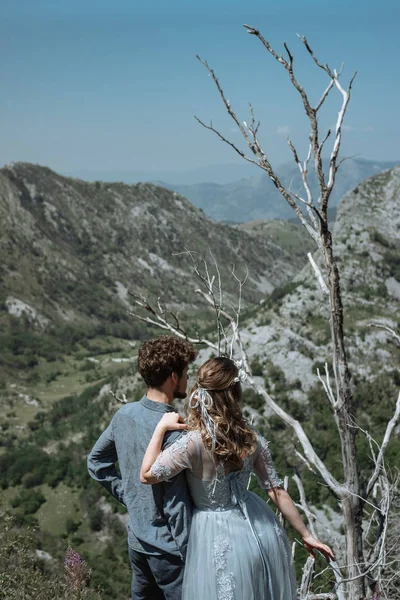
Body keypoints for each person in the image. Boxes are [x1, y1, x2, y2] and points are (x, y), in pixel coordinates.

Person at [140, 356, 335, 600]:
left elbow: (147, 475)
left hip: (214, 534)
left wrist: (161, 428)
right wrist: (306, 535)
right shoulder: (251, 437)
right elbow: (276, 490)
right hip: (259, 531)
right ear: (235, 394)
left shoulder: (193, 443)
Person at [87, 335, 198, 600]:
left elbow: (96, 463)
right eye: (185, 373)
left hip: (137, 542)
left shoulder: (124, 414)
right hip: (169, 551)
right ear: (173, 376)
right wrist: (191, 553)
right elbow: (176, 504)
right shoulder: (175, 432)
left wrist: (129, 495)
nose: (187, 379)